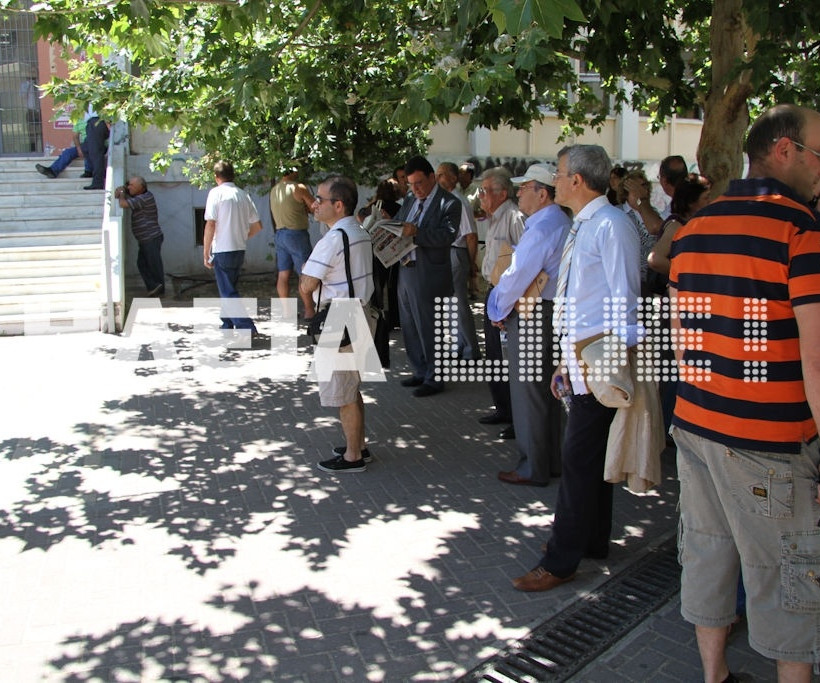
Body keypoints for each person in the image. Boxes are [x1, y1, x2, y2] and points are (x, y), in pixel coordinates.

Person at [668, 104, 820, 683]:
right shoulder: (800, 230)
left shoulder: (695, 228)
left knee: (708, 552)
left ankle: (716, 675)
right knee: (787, 573)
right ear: (785, 151)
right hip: (770, 440)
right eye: (818, 155)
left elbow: (684, 342)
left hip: (697, 424)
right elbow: (815, 357)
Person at [512, 144, 640, 592]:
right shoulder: (585, 223)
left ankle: (560, 559)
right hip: (581, 362)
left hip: (599, 365)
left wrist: (611, 369)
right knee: (590, 459)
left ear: (577, 181)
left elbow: (626, 303)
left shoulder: (612, 225)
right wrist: (567, 364)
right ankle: (593, 541)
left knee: (577, 460)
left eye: (560, 173)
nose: (555, 180)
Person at [488, 164, 570, 486]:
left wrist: (497, 309)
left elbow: (516, 277)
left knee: (528, 395)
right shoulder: (559, 222)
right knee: (546, 393)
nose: (519, 192)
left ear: (543, 192)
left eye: (525, 187)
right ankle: (550, 462)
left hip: (533, 314)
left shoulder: (542, 227)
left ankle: (531, 467)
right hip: (549, 312)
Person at [299, 176, 375, 473]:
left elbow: (307, 283)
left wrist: (306, 283)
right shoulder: (359, 231)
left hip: (338, 319)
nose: (314, 204)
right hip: (360, 313)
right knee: (351, 388)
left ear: (338, 205)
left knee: (343, 393)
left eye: (320, 199)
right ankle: (359, 446)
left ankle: (353, 457)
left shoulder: (332, 239)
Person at [394, 156, 460, 397]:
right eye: (410, 184)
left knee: (431, 326)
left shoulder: (450, 203)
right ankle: (420, 370)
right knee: (409, 324)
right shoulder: (411, 199)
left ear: (433, 178)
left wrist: (418, 233)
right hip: (405, 267)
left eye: (419, 183)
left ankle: (436, 377)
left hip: (430, 272)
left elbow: (447, 236)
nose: (415, 189)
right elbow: (400, 223)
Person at [477, 167, 525, 436]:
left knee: (506, 358)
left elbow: (523, 261)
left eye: (485, 190)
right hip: (493, 291)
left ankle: (517, 420)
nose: (481, 195)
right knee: (493, 355)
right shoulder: (495, 216)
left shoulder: (514, 217)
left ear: (502, 193)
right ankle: (503, 409)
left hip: (507, 295)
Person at [203, 160, 263, 330]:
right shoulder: (243, 195)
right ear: (233, 175)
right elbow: (258, 226)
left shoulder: (216, 193)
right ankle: (227, 323)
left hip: (223, 249)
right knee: (229, 287)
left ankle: (246, 326)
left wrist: (206, 251)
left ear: (216, 177)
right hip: (239, 248)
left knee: (228, 291)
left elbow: (210, 224)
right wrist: (242, 237)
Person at [436, 161, 481, 360]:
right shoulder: (446, 200)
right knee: (452, 305)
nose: (438, 179)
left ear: (453, 178)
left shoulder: (458, 201)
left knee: (459, 304)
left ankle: (471, 349)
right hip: (447, 253)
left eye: (442, 175)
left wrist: (471, 265)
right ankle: (460, 346)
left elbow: (470, 235)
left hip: (456, 252)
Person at [269, 168, 316, 320]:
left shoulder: (275, 190)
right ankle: (309, 310)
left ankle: (287, 312)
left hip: (280, 233)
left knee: (283, 274)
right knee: (305, 273)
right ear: (292, 172)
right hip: (296, 234)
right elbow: (313, 206)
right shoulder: (298, 187)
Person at [114, 177, 165, 297]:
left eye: (132, 186)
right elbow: (124, 193)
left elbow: (123, 203)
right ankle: (154, 287)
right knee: (142, 264)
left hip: (151, 237)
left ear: (141, 188)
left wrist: (121, 194)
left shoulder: (145, 198)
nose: (129, 187)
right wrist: (122, 190)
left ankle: (158, 288)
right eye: (128, 185)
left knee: (153, 265)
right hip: (145, 239)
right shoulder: (139, 196)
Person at [83, 110, 109, 190]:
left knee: (96, 154)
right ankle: (95, 172)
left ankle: (98, 182)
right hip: (92, 122)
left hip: (97, 121)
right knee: (86, 148)